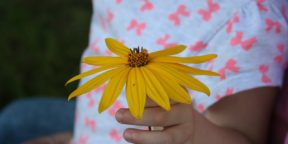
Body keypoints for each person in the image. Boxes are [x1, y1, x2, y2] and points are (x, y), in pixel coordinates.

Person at [24, 0, 288, 143]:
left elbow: (244, 137)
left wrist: (193, 134)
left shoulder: (247, 19)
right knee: (18, 117)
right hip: (88, 131)